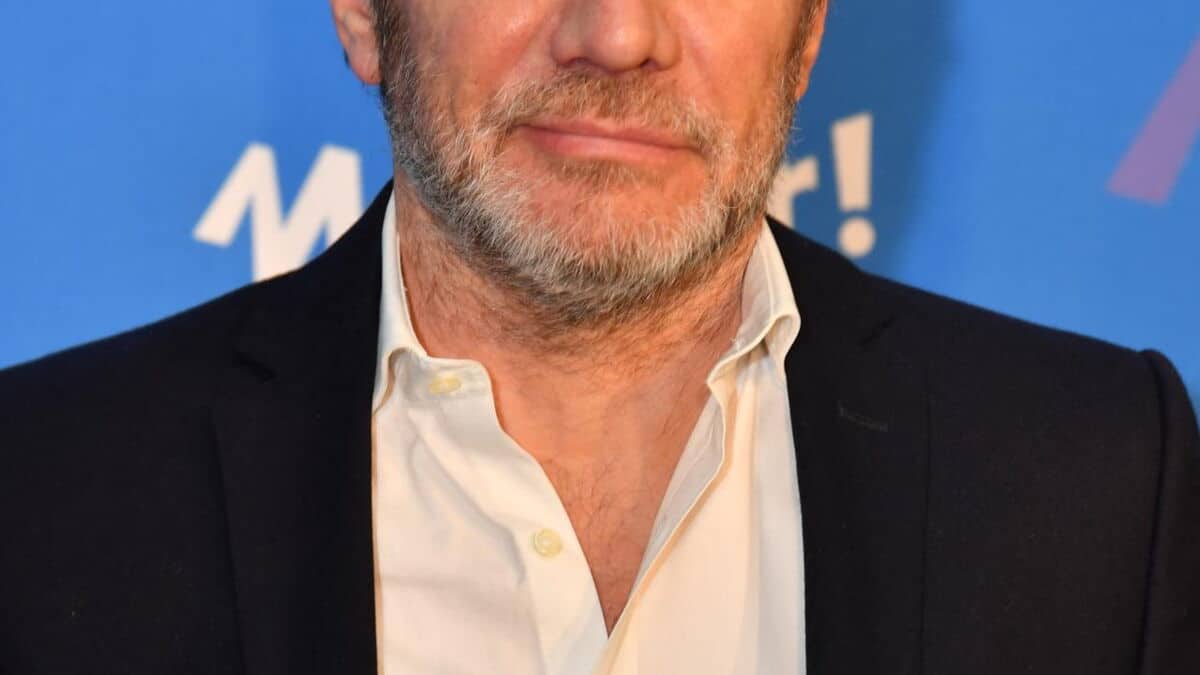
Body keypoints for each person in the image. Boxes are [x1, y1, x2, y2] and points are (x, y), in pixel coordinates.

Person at [1, 0, 1196, 672]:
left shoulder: (1097, 483)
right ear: (364, 13)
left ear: (809, 30)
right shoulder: (43, 493)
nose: (618, 35)